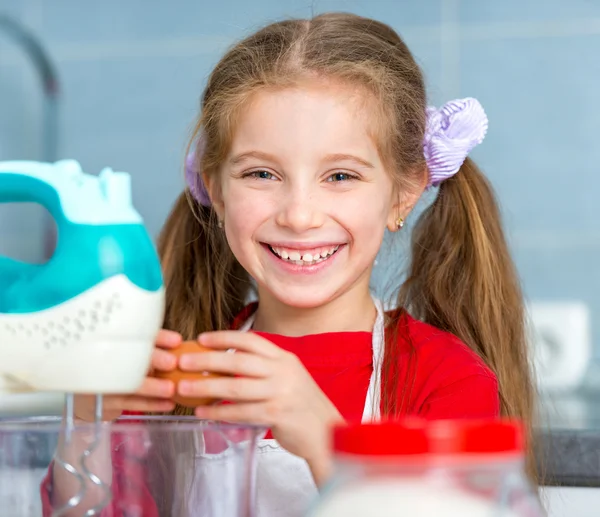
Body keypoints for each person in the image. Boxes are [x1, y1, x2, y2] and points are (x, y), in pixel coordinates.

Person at [41, 11, 536, 517]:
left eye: (341, 176)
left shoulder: (447, 379)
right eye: (261, 173)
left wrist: (326, 441)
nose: (299, 215)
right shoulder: (186, 376)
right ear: (216, 189)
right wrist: (87, 419)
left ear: (403, 193)